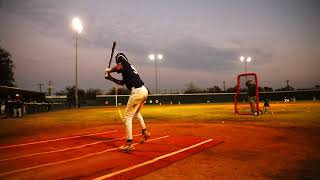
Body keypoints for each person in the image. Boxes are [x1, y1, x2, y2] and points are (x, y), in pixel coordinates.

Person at [104, 52, 150, 152]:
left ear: (119, 61)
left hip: (137, 92)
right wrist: (110, 78)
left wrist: (109, 70)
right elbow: (122, 82)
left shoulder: (124, 64)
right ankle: (145, 132)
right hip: (144, 90)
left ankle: (129, 144)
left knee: (127, 118)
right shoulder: (128, 68)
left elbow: (118, 67)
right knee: (137, 113)